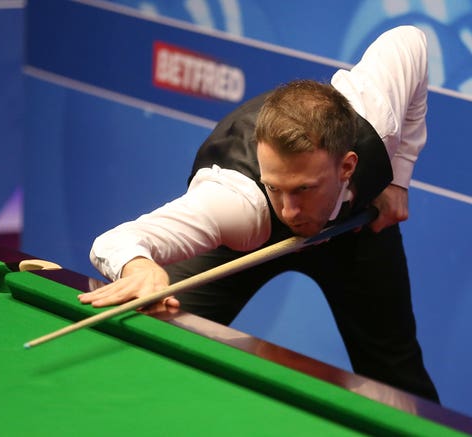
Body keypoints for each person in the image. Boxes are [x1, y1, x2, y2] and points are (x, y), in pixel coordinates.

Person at [81, 25, 439, 402]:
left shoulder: (375, 117)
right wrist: (139, 266)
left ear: (347, 167)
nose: (289, 210)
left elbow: (410, 40)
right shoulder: (235, 202)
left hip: (354, 231)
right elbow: (116, 241)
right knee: (160, 328)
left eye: (304, 188)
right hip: (246, 241)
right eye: (276, 187)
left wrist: (399, 177)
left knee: (396, 377)